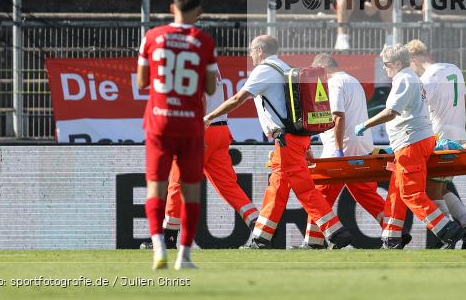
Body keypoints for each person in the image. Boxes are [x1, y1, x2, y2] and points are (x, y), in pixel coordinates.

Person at [203, 35, 354, 250]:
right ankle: (262, 238)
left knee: (304, 189)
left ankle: (336, 231)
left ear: (260, 51)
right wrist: (307, 146)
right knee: (277, 188)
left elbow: (238, 99)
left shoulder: (264, 70)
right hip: (296, 138)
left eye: (251, 50)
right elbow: (298, 110)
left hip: (286, 140)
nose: (250, 55)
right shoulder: (285, 67)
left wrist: (209, 117)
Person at [136, 0, 218, 270]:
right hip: (190, 123)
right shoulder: (203, 41)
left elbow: (141, 83)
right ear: (200, 12)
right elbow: (209, 87)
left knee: (155, 187)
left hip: (159, 121)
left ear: (172, 9)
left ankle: (158, 246)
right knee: (190, 191)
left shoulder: (153, 37)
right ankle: (184, 255)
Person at [354, 44, 465, 249]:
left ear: (397, 63)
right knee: (397, 189)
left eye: (386, 64)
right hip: (412, 141)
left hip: (410, 142)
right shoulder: (409, 78)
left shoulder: (405, 78)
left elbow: (391, 112)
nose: (385, 69)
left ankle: (446, 229)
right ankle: (392, 236)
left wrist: (365, 124)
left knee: (410, 193)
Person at [155, 65, 259, 250]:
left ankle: (168, 239)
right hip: (220, 129)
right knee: (228, 185)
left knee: (178, 183)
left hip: (202, 129)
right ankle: (259, 226)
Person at [299, 53, 386, 249]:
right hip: (360, 147)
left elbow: (338, 117)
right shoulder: (353, 81)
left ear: (323, 69)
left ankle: (313, 241)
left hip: (340, 148)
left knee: (320, 193)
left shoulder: (334, 83)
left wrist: (338, 150)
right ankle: (394, 230)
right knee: (366, 194)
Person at [406, 39, 466, 249]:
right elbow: (465, 101)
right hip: (458, 134)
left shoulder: (428, 78)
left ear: (413, 59)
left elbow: (417, 108)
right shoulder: (454, 69)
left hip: (440, 137)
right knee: (443, 185)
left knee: (431, 189)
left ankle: (448, 233)